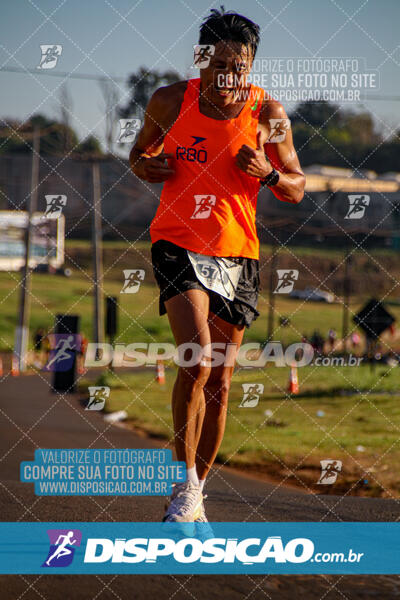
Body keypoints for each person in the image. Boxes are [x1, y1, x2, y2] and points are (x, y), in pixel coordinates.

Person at [129, 8, 304, 525]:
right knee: (196, 360)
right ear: (201, 59)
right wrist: (146, 165)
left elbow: (297, 186)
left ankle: (195, 493)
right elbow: (140, 154)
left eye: (241, 65)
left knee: (221, 382)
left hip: (238, 252)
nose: (230, 75)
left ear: (251, 66)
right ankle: (183, 489)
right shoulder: (169, 100)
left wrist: (269, 173)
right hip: (177, 242)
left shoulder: (268, 112)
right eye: (221, 62)